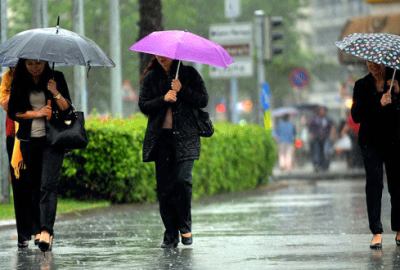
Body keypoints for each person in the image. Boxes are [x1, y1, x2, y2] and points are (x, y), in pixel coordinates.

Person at [139, 55, 208, 248]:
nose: (162, 58)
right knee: (164, 189)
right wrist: (163, 98)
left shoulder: (189, 74)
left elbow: (203, 100)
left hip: (186, 138)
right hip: (161, 140)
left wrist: (181, 90)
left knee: (182, 180)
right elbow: (143, 105)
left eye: (166, 55)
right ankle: (170, 234)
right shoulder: (151, 77)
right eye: (158, 54)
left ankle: (185, 227)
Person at [8, 59, 72, 252]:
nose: (34, 67)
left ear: (45, 62)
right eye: (29, 64)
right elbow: (13, 112)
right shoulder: (20, 81)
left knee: (48, 185)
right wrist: (36, 114)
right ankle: (36, 229)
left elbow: (67, 109)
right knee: (34, 186)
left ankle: (46, 232)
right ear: (23, 65)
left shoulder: (56, 77)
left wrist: (55, 92)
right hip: (29, 142)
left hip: (53, 141)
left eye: (38, 63)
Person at [351, 61, 400, 249]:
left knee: (397, 184)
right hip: (370, 142)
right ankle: (376, 232)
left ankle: (399, 228)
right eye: (369, 61)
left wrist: (397, 94)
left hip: (395, 140)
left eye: (376, 62)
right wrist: (378, 103)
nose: (372, 65)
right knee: (374, 184)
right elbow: (356, 114)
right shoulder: (361, 85)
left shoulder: (397, 79)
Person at [0, 67, 38, 248]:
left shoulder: (36, 74)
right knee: (18, 182)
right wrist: (18, 90)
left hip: (35, 133)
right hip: (13, 134)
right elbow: (5, 104)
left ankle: (38, 230)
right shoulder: (8, 77)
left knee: (35, 182)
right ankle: (23, 233)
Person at [308, 106, 335, 172]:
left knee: (326, 151)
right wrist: (311, 134)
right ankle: (317, 165)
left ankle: (325, 165)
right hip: (316, 138)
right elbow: (310, 127)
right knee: (317, 152)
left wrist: (332, 135)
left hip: (326, 137)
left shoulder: (328, 119)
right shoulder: (314, 119)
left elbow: (332, 126)